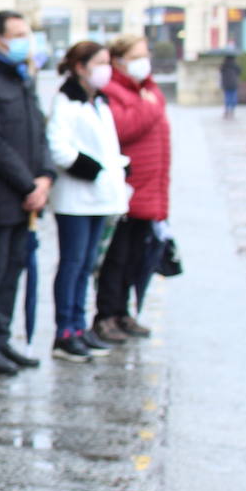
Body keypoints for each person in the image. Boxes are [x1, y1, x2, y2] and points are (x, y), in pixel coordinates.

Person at [0, 10, 57, 373]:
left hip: (28, 195)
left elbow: (39, 130)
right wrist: (27, 183)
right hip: (1, 193)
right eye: (18, 34)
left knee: (14, 270)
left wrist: (45, 176)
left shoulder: (22, 77)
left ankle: (3, 338)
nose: (26, 40)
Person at [46, 41, 129, 362]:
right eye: (100, 63)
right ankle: (65, 330)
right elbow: (59, 147)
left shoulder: (100, 102)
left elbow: (107, 145)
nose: (106, 69)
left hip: (101, 198)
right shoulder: (67, 101)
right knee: (72, 263)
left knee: (86, 266)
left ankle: (79, 326)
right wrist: (91, 169)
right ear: (81, 66)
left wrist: (119, 165)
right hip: (76, 198)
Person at [94, 34, 171, 341]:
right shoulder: (114, 91)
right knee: (117, 256)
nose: (144, 61)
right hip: (127, 188)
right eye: (136, 55)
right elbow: (123, 127)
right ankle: (107, 314)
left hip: (150, 187)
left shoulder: (145, 90)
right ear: (118, 60)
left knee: (138, 255)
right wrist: (150, 107)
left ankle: (124, 311)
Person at [220, 53, 241, 118]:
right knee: (233, 96)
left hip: (226, 84)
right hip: (234, 83)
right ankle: (232, 110)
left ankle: (227, 109)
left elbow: (220, 72)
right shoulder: (235, 65)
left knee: (227, 96)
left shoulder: (223, 66)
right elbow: (239, 72)